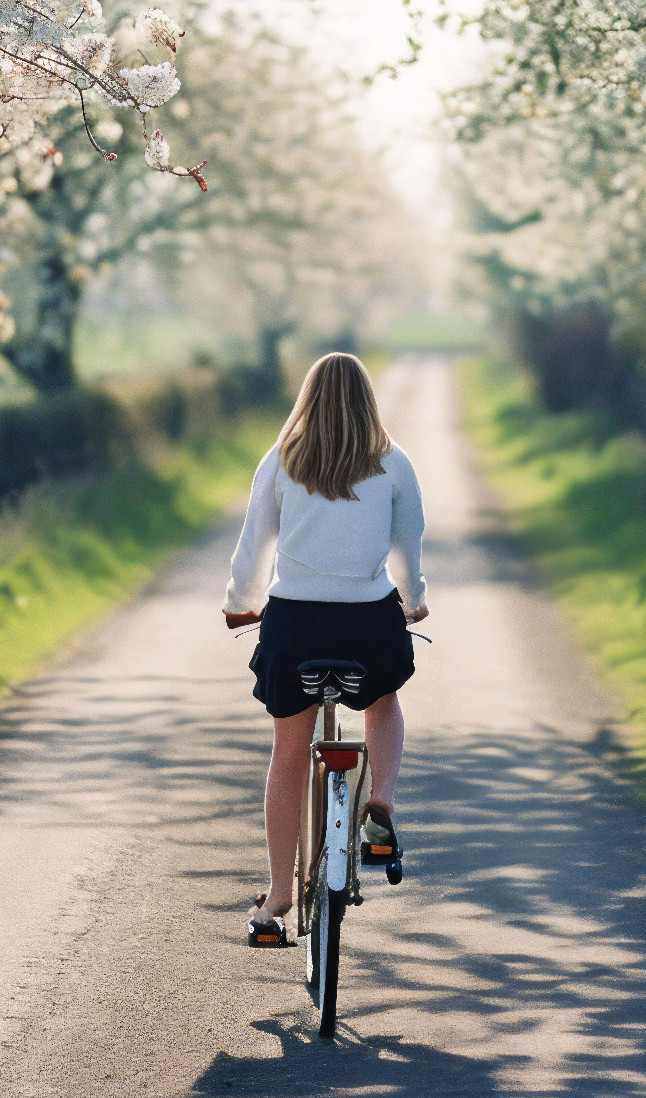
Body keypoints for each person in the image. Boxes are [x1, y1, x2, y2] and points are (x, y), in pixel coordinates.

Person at [222, 351, 428, 946]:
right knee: (382, 704)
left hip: (295, 626)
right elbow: (408, 549)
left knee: (289, 752)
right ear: (368, 400)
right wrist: (413, 598)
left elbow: (251, 545)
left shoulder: (282, 459)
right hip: (368, 624)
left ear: (307, 398)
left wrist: (241, 600)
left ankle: (279, 896)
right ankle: (381, 807)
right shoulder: (393, 462)